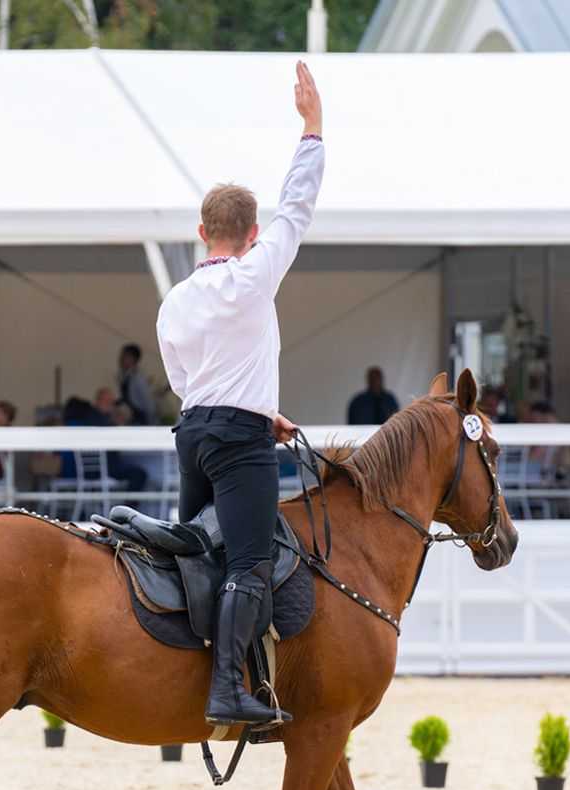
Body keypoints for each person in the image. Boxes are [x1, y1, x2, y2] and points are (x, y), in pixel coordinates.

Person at [156, 61, 323, 730]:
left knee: (197, 553)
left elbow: (184, 382)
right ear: (253, 235)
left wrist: (259, 409)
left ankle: (185, 671)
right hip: (237, 443)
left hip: (192, 435)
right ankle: (228, 689)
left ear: (203, 233)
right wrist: (312, 128)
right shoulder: (255, 276)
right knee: (250, 562)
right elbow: (298, 204)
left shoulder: (174, 299)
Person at [118, 343, 156, 426]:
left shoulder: (138, 379)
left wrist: (150, 424)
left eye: (124, 356)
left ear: (132, 359)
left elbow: (148, 404)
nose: (120, 359)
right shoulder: (125, 376)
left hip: (140, 420)